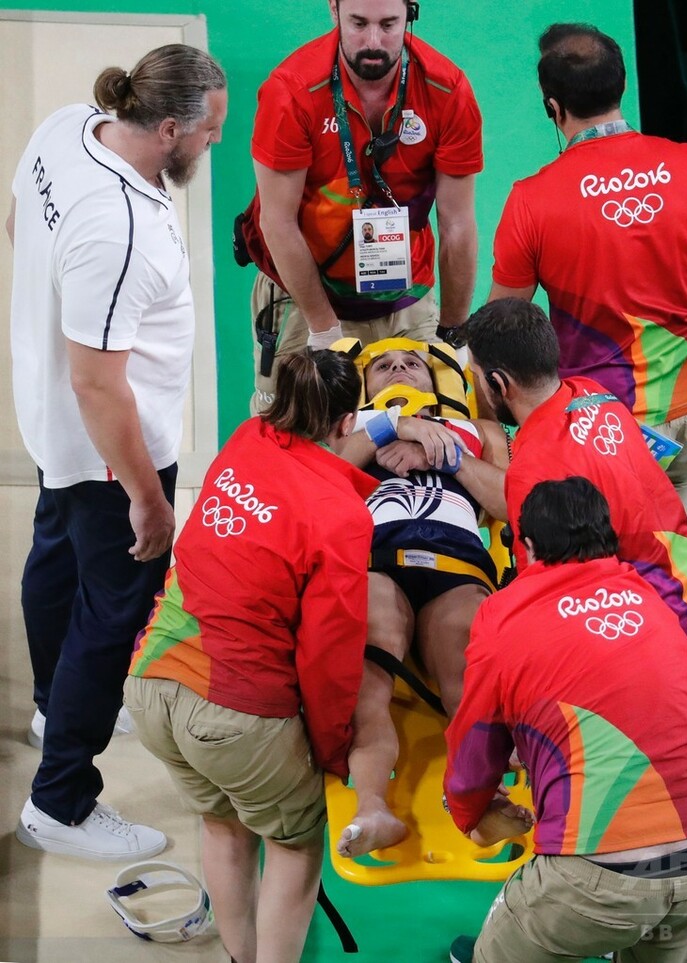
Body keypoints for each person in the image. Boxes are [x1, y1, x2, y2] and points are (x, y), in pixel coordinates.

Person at [8, 45, 227, 859]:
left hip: (52, 423)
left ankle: (46, 703)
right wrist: (147, 496)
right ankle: (60, 801)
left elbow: (16, 222)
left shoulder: (69, 126)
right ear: (168, 127)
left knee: (54, 559)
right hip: (109, 451)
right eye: (208, 133)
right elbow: (101, 386)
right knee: (113, 612)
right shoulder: (124, 228)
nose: (213, 146)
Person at [124, 350, 376, 963]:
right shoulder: (341, 516)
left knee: (223, 826)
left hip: (151, 682)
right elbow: (329, 653)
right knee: (293, 845)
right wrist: (334, 746)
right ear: (347, 421)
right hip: (237, 715)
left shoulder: (246, 439)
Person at [489, 22, 687, 516]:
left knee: (610, 549)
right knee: (671, 540)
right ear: (622, 86)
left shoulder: (531, 200)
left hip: (603, 423)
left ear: (553, 107)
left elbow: (502, 327)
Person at [444, 477, 687, 963]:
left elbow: (477, 740)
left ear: (528, 546)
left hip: (596, 881)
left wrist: (468, 812)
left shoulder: (503, 615)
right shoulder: (658, 603)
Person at [239, 0, 483, 410]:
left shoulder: (447, 90)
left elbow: (457, 224)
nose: (374, 42)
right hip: (306, 297)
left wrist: (454, 335)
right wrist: (323, 329)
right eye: (358, 23)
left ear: (411, 13)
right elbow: (277, 222)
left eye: (390, 24)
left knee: (434, 430)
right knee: (296, 438)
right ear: (333, 9)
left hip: (405, 295)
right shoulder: (292, 91)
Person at [463, 298, 687, 666]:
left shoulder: (537, 477)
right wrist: (458, 463)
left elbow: (548, 598)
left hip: (658, 637)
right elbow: (523, 491)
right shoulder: (594, 395)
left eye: (476, 375)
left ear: (499, 383)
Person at [334, 341, 513, 857]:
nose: (399, 370)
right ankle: (372, 808)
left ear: (436, 381)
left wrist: (447, 454)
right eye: (384, 367)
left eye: (412, 364)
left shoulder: (482, 431)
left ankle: (480, 798)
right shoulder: (350, 430)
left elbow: (508, 500)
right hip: (377, 562)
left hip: (455, 563)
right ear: (365, 387)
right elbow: (323, 476)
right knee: (367, 679)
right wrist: (398, 426)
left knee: (468, 667)